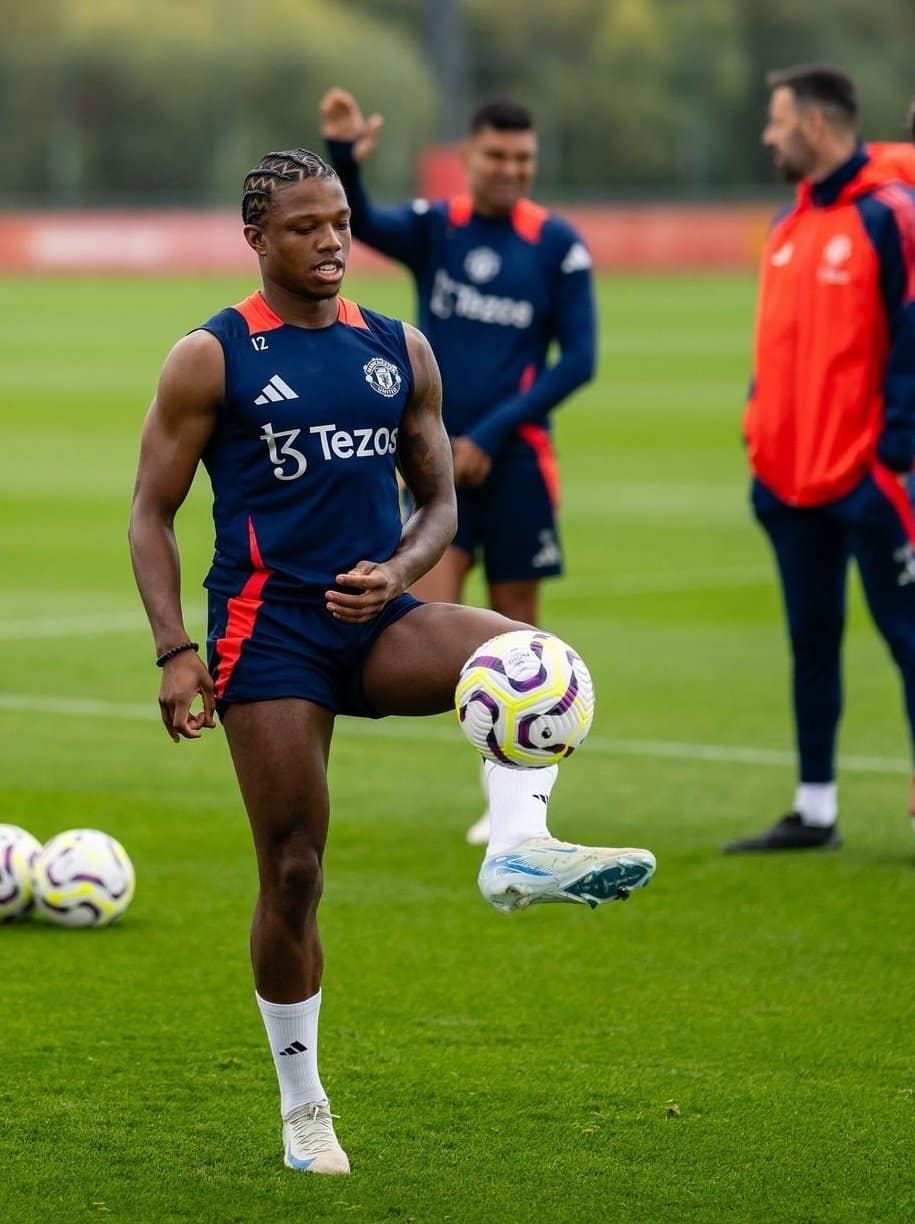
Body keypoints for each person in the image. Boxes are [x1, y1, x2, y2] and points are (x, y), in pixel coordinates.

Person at [128, 149, 655, 1174]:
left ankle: (515, 849)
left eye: (337, 222)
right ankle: (303, 1104)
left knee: (536, 659)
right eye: (303, 227)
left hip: (375, 616)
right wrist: (175, 651)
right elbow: (152, 513)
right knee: (293, 870)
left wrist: (400, 568)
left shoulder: (398, 347)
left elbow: (441, 502)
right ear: (257, 238)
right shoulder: (212, 355)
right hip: (266, 634)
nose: (330, 241)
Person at [320, 88, 597, 843]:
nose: (512, 170)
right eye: (498, 157)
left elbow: (578, 361)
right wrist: (344, 153)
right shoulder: (437, 227)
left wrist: (493, 432)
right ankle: (502, 798)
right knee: (437, 629)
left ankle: (518, 815)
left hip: (517, 466)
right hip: (437, 469)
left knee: (521, 639)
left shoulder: (557, 245)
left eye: (524, 159)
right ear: (468, 157)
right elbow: (361, 221)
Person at [726, 65, 915, 853]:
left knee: (907, 639)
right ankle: (814, 809)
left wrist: (891, 458)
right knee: (810, 640)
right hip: (786, 481)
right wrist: (756, 435)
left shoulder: (889, 216)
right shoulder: (785, 225)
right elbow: (773, 351)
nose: (767, 136)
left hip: (865, 479)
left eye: (775, 121)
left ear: (811, 124)